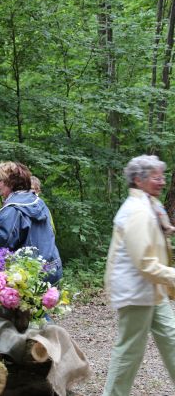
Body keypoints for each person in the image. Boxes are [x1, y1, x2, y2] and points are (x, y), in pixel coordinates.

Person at [102, 155, 175, 395]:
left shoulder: (150, 206)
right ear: (138, 180)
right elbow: (145, 263)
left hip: (153, 290)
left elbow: (156, 236)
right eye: (156, 177)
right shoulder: (137, 211)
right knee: (129, 352)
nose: (162, 181)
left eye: (162, 176)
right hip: (136, 292)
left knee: (172, 339)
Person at [0, 161, 62, 284]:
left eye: (0, 180)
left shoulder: (12, 208)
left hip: (27, 276)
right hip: (52, 269)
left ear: (9, 182)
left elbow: (1, 243)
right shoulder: (38, 202)